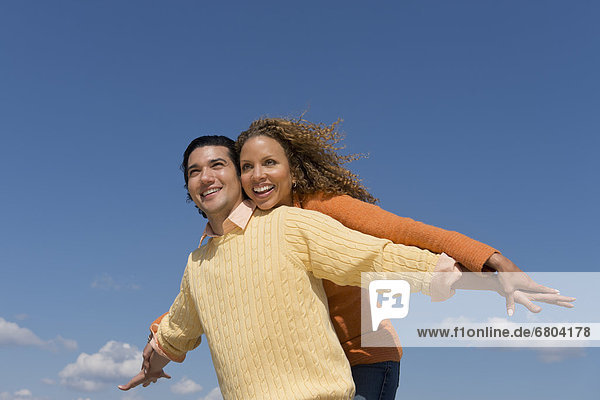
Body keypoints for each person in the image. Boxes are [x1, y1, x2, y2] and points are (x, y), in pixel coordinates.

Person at [119, 130, 573, 399]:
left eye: (269, 164)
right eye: (249, 165)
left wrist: (491, 267)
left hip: (362, 358)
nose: (259, 177)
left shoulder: (311, 215)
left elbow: (398, 243)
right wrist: (158, 347)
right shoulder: (205, 258)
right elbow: (210, 297)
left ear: (291, 171)